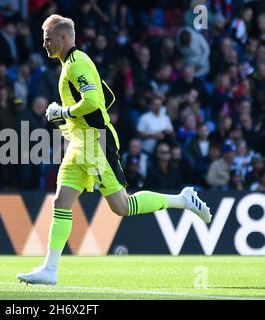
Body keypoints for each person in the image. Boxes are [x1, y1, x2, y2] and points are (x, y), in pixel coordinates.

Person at [16, 14, 212, 286]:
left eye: (48, 39)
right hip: (80, 143)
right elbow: (108, 97)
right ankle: (50, 269)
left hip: (96, 144)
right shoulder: (72, 65)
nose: (44, 44)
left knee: (122, 206)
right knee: (61, 201)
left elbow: (95, 102)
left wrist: (62, 111)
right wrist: (70, 118)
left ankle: (183, 199)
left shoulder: (76, 64)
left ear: (63, 38)